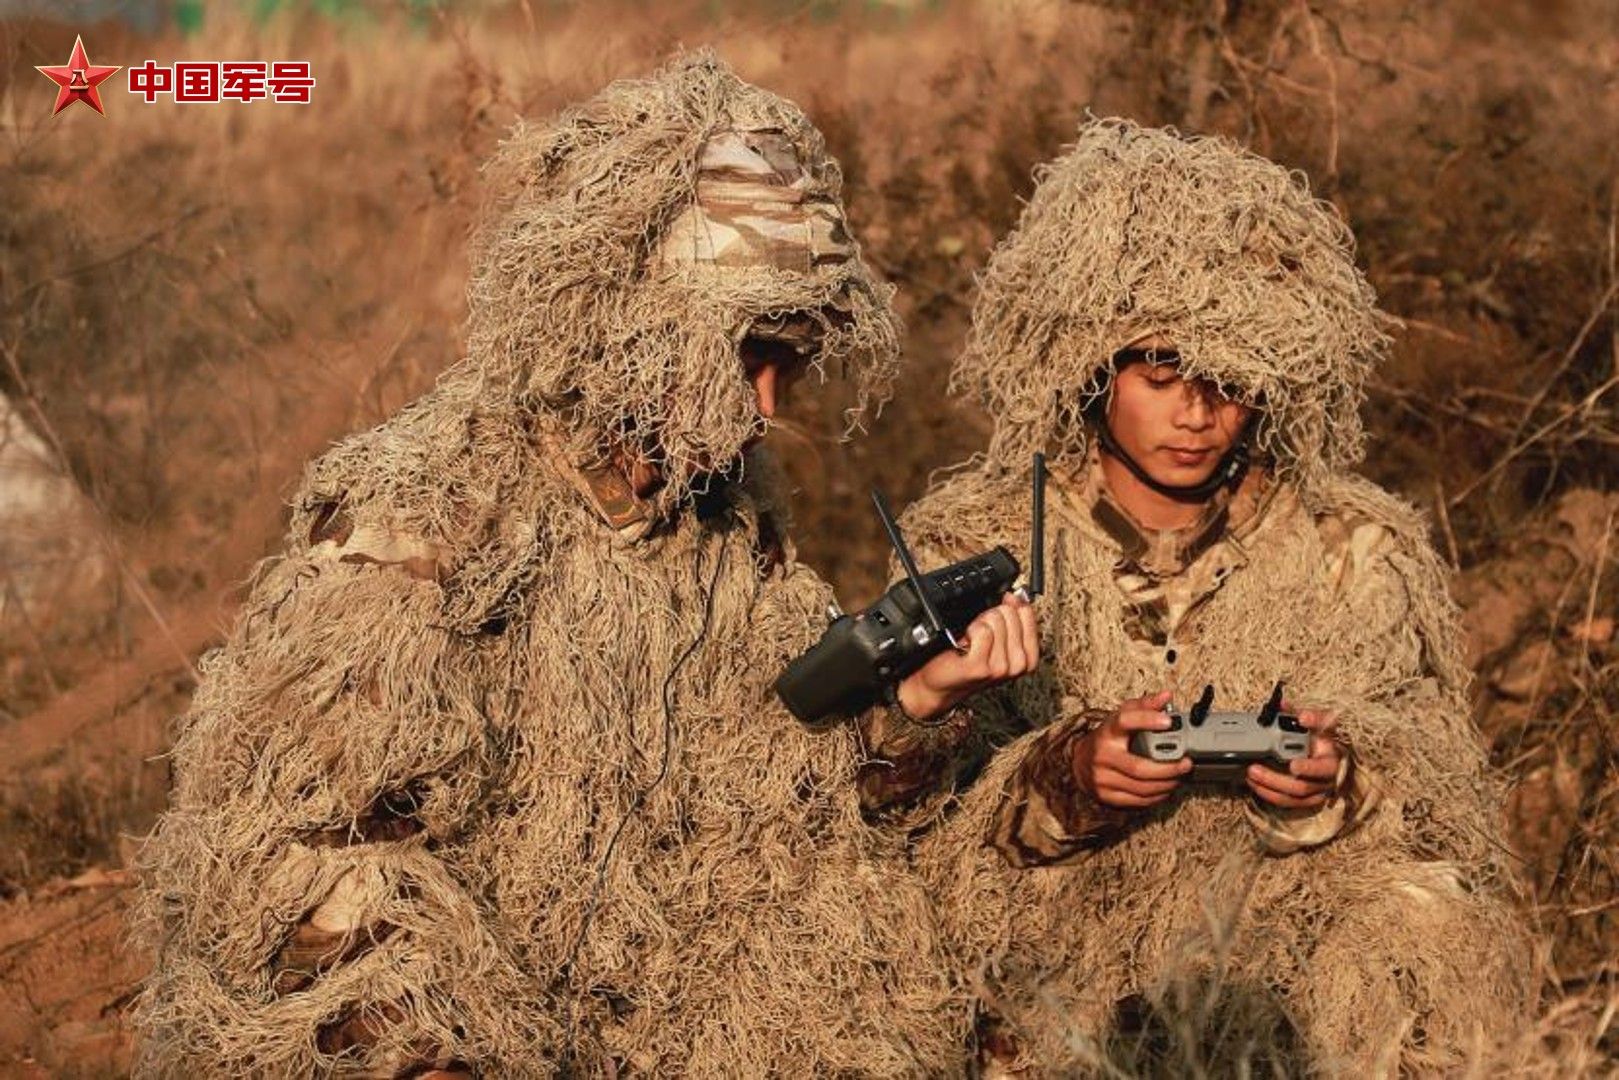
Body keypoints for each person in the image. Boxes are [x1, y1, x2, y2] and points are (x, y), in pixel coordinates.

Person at [134, 54, 975, 1076]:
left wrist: (913, 706)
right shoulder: (431, 521)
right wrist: (432, 1054)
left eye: (789, 361)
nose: (764, 406)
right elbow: (300, 866)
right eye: (744, 353)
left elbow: (769, 797)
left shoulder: (725, 505)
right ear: (625, 321)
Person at [858, 118, 1534, 1075]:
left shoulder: (1351, 547)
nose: (1196, 413)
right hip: (1047, 941)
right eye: (1159, 370)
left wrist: (1327, 785)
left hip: (1282, 930)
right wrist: (1070, 776)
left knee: (1430, 924)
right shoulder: (976, 544)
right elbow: (891, 806)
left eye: (1228, 380)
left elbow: (1438, 802)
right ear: (1092, 370)